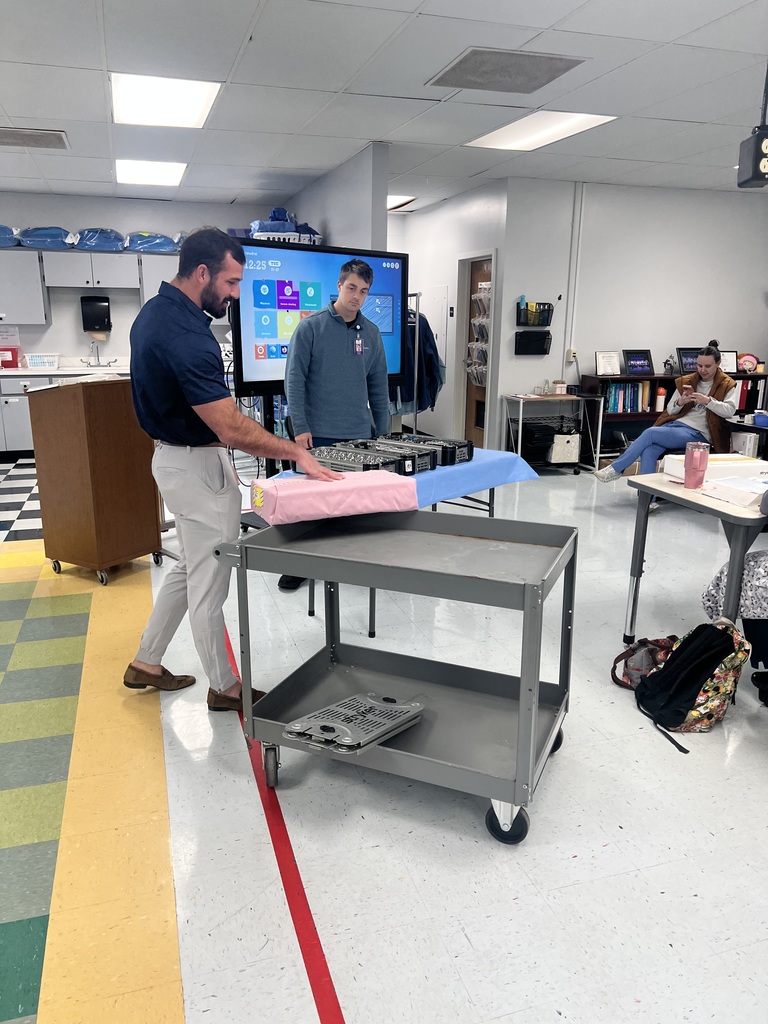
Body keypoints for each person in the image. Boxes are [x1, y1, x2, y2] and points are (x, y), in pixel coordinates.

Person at [124, 227, 341, 711]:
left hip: (173, 460)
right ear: (202, 273)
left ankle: (145, 662)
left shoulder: (153, 314)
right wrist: (297, 453)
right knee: (210, 581)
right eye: (232, 283)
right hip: (196, 466)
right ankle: (225, 688)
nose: (237, 295)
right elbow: (231, 428)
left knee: (190, 567)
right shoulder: (186, 336)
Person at [278, 257, 391, 590]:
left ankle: (348, 564)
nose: (357, 296)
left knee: (352, 508)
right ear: (339, 286)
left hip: (358, 433)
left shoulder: (371, 333)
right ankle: (300, 565)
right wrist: (300, 428)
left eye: (364, 291)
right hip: (317, 435)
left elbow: (379, 388)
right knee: (311, 508)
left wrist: (383, 436)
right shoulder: (310, 328)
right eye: (352, 288)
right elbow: (294, 381)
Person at [594, 340, 737, 500]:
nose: (702, 370)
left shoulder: (727, 384)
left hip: (699, 435)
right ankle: (648, 500)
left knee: (650, 433)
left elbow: (730, 410)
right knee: (649, 450)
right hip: (676, 427)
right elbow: (670, 410)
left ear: (718, 363)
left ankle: (616, 469)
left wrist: (708, 401)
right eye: (699, 365)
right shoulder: (688, 381)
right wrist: (680, 402)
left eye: (707, 366)